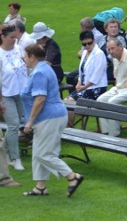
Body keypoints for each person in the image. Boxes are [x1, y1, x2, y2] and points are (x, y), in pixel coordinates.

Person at [20, 44, 85, 197]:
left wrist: (29, 122)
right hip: (52, 116)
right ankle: (40, 187)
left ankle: (72, 176)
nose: (24, 58)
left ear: (32, 57)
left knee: (44, 154)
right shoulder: (43, 68)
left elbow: (40, 99)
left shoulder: (39, 73)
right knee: (38, 152)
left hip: (49, 117)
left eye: (25, 55)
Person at [0, 24, 27, 171]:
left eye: (16, 37)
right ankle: (15, 159)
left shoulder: (17, 48)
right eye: (11, 38)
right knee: (14, 125)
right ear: (3, 37)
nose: (14, 40)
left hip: (21, 93)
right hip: (6, 95)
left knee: (22, 123)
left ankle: (4, 151)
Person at [66, 30, 108, 102]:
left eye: (89, 43)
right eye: (84, 44)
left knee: (69, 101)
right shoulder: (85, 53)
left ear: (94, 41)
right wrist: (78, 84)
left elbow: (96, 77)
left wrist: (84, 87)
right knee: (66, 102)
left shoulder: (99, 54)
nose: (87, 46)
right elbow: (82, 71)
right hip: (85, 87)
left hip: (96, 87)